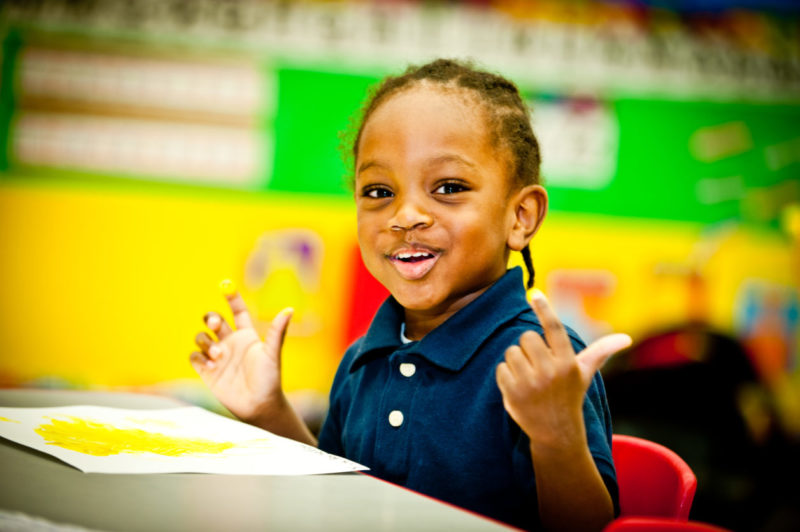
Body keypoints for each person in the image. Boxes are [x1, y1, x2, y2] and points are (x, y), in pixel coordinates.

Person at [190, 58, 631, 531]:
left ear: (520, 216)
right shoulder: (363, 358)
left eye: (448, 187)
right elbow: (339, 497)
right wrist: (270, 412)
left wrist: (556, 438)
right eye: (379, 191)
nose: (406, 215)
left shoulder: (540, 362)